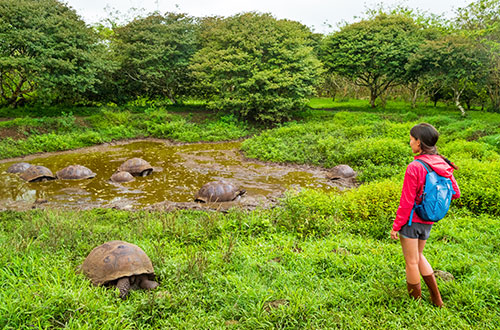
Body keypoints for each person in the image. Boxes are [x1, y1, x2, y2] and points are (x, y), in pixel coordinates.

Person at [390, 123, 460, 307]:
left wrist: (396, 226)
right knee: (419, 256)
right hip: (428, 220)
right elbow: (455, 192)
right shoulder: (443, 163)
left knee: (411, 262)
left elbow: (406, 202)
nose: (410, 142)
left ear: (419, 142)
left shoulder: (415, 166)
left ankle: (416, 304)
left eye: (412, 139)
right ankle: (437, 299)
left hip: (412, 221)